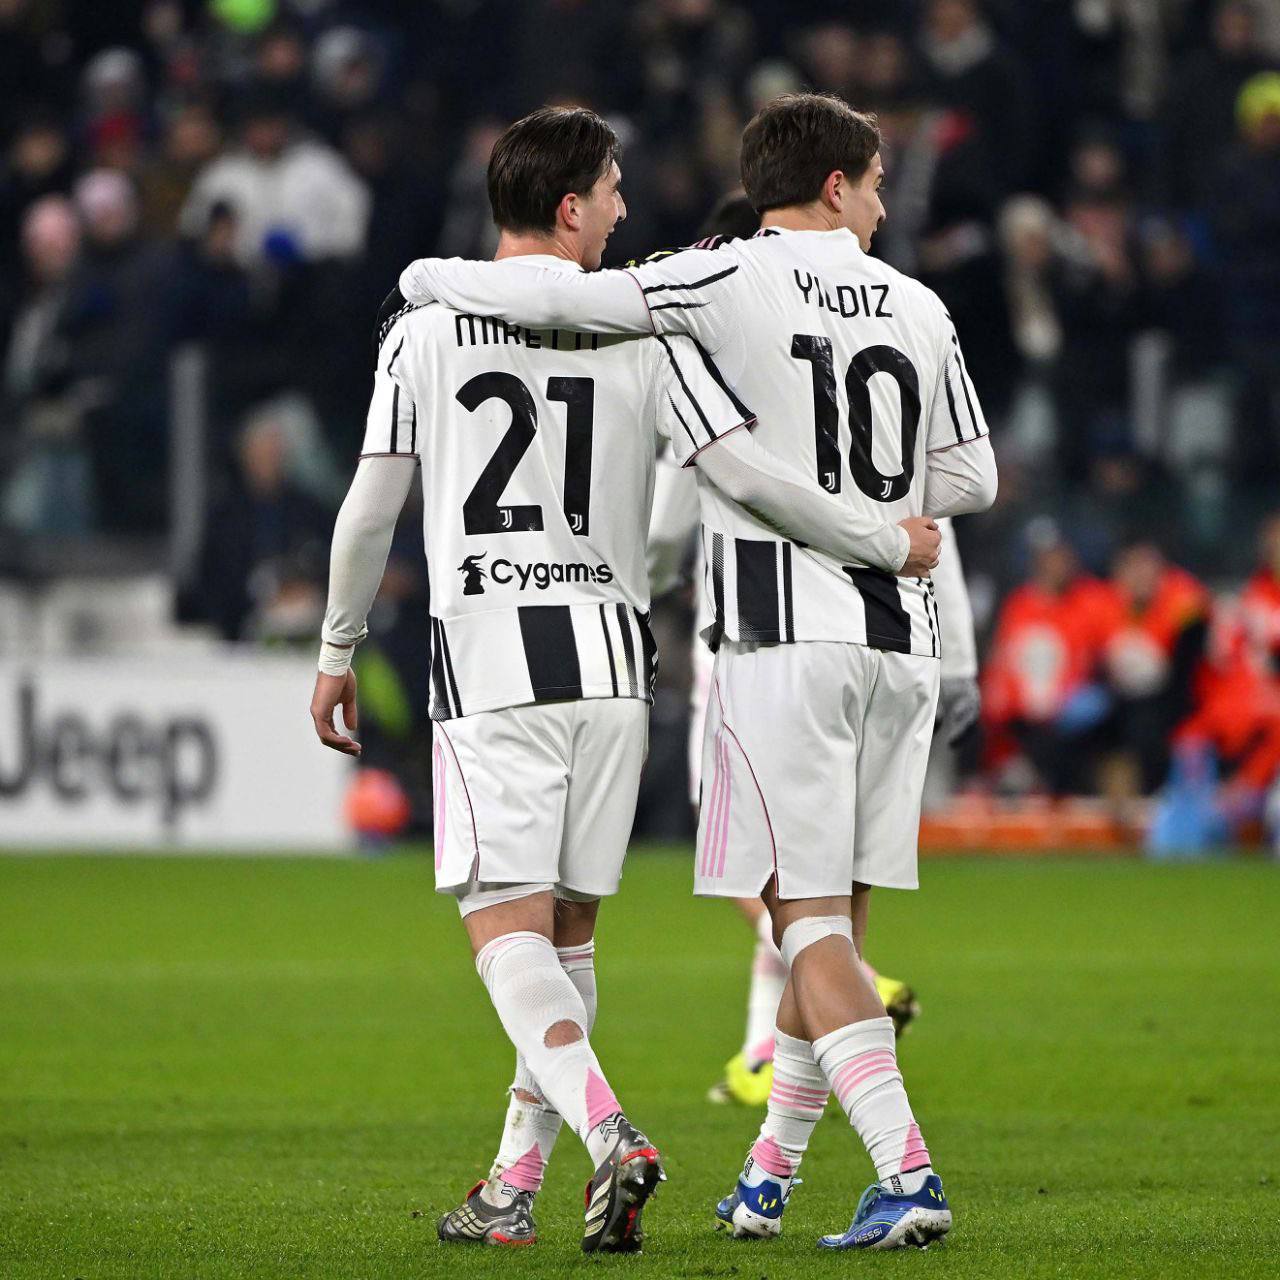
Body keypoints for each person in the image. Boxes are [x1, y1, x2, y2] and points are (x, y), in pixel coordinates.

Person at [311, 105, 941, 1254]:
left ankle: (610, 1134)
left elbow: (368, 510)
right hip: (611, 665)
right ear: (568, 206)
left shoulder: (425, 331)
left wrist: (336, 648)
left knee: (503, 930)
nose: (623, 209)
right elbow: (742, 471)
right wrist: (876, 536)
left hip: (491, 657)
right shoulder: (648, 336)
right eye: (610, 190)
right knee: (567, 940)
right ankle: (511, 1184)